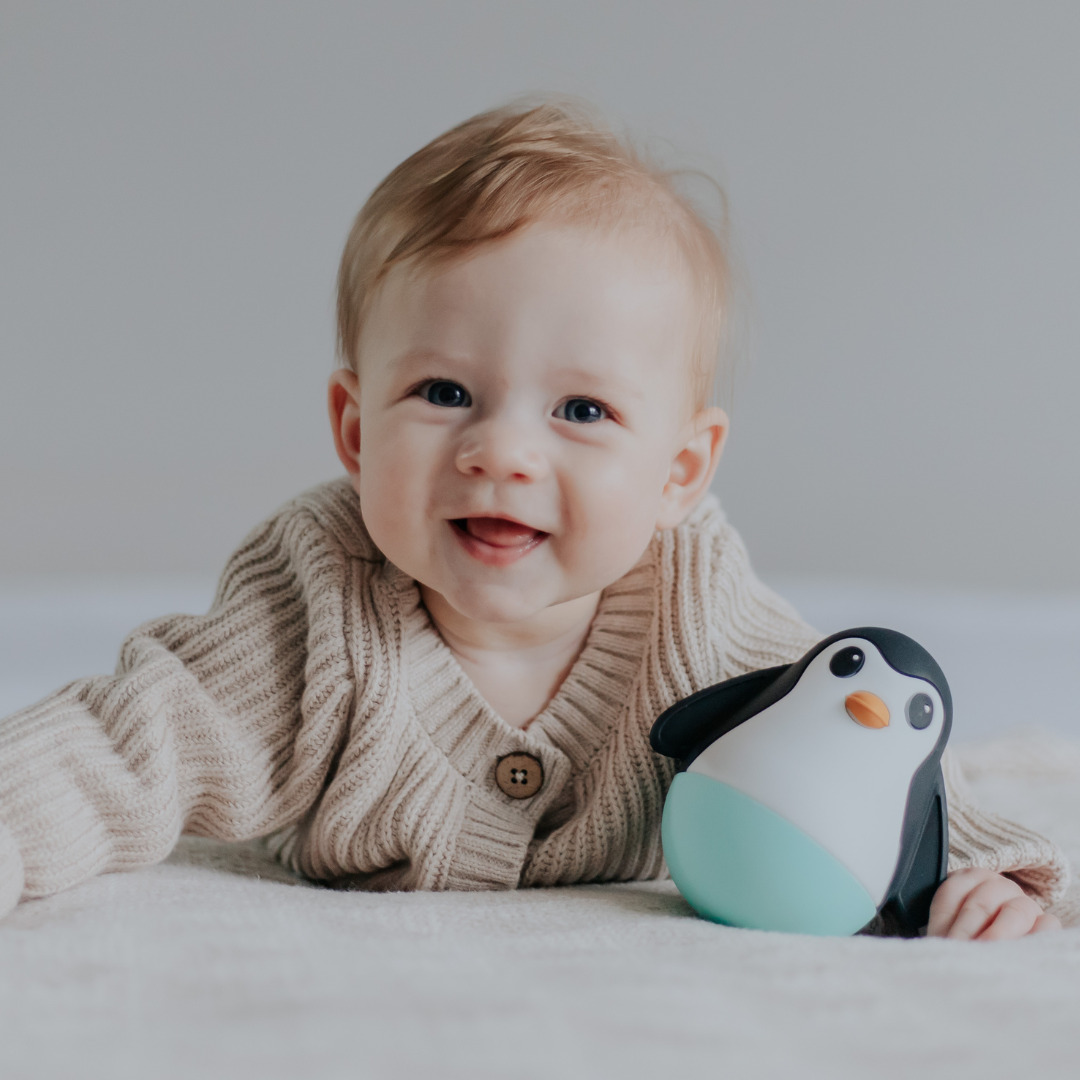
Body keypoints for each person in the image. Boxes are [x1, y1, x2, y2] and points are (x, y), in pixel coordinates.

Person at [0, 101, 1066, 938]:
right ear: (356, 428)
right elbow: (126, 741)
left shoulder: (696, 609)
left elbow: (858, 746)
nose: (503, 451)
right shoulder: (314, 602)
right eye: (445, 393)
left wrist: (978, 866)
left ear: (679, 471)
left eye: (583, 411)